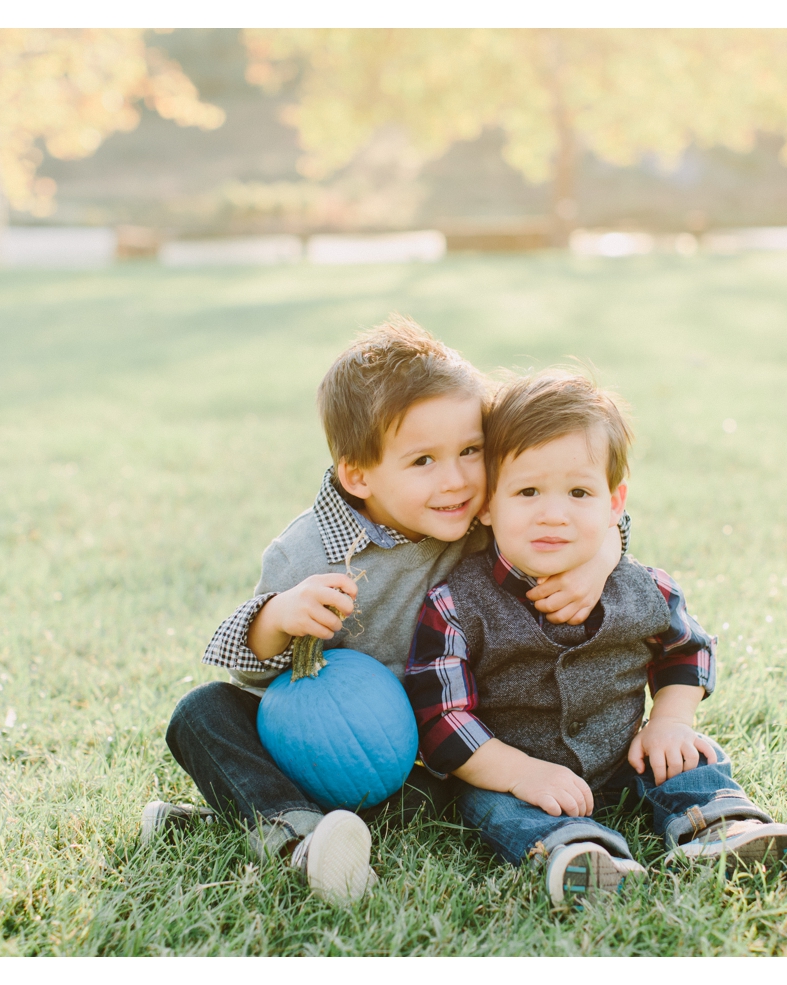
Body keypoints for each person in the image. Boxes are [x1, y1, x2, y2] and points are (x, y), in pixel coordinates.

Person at [144, 317, 628, 905]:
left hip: (432, 755)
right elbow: (249, 672)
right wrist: (278, 617)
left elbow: (584, 508)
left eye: (471, 451)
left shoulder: (483, 518)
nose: (455, 480)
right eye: (422, 461)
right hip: (322, 743)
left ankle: (252, 820)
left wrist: (598, 560)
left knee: (442, 804)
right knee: (202, 712)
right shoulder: (309, 551)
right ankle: (298, 840)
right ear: (357, 473)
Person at [404, 371, 787, 907]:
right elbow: (441, 718)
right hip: (513, 771)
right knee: (490, 804)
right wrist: (519, 774)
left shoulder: (641, 587)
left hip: (625, 757)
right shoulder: (456, 602)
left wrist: (669, 723)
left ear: (613, 501)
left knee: (692, 757)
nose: (553, 513)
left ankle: (721, 826)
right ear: (488, 503)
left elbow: (687, 650)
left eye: (579, 492)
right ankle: (575, 852)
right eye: (527, 491)